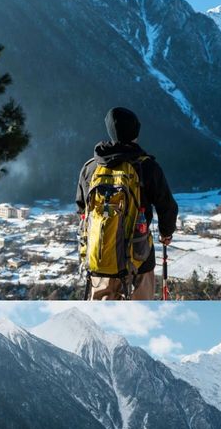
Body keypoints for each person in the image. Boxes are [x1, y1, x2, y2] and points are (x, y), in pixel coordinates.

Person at [76, 107, 178, 300]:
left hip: (99, 260)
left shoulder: (90, 168)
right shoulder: (146, 166)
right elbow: (167, 207)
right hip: (139, 259)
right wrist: (166, 233)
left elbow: (81, 208)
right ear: (135, 133)